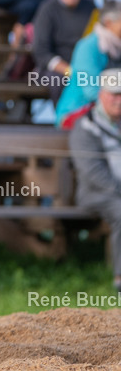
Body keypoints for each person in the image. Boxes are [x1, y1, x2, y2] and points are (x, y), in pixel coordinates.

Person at [68, 66, 121, 293]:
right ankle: (120, 278)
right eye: (114, 94)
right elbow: (93, 173)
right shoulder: (85, 126)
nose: (119, 100)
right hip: (97, 194)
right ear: (102, 94)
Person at [32, 0, 98, 103]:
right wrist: (69, 70)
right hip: (56, 68)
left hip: (87, 65)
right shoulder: (47, 10)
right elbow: (41, 52)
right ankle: (64, 121)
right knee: (59, 81)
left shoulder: (91, 9)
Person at [57, 1, 121, 127]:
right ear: (109, 23)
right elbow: (91, 91)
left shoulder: (116, 48)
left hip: (111, 110)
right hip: (77, 112)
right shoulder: (88, 47)